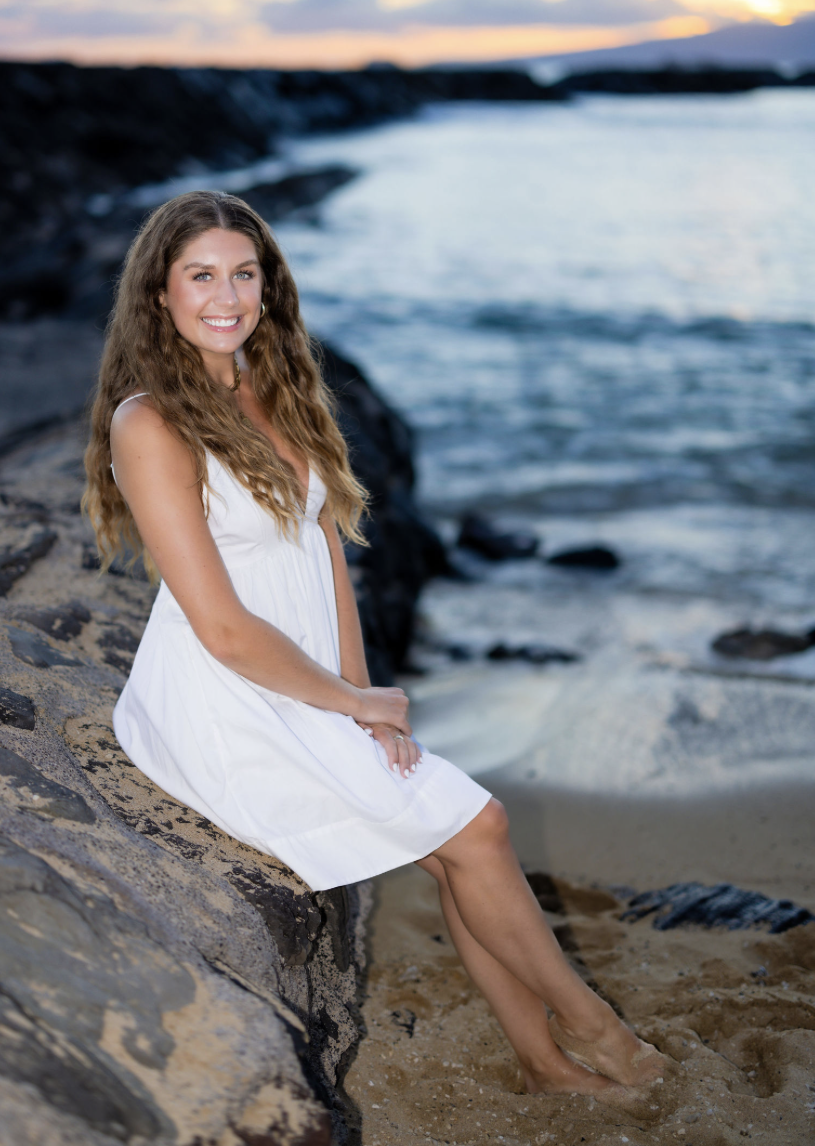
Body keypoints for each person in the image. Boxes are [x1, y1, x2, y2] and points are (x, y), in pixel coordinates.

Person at [83, 190, 666, 1101]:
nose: (226, 296)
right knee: (479, 826)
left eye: (245, 274)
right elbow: (224, 629)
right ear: (160, 295)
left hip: (311, 681)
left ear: (269, 290)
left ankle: (547, 1065)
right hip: (224, 699)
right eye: (201, 276)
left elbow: (323, 559)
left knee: (454, 842)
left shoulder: (274, 390)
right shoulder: (148, 423)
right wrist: (350, 704)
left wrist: (364, 696)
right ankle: (597, 1031)